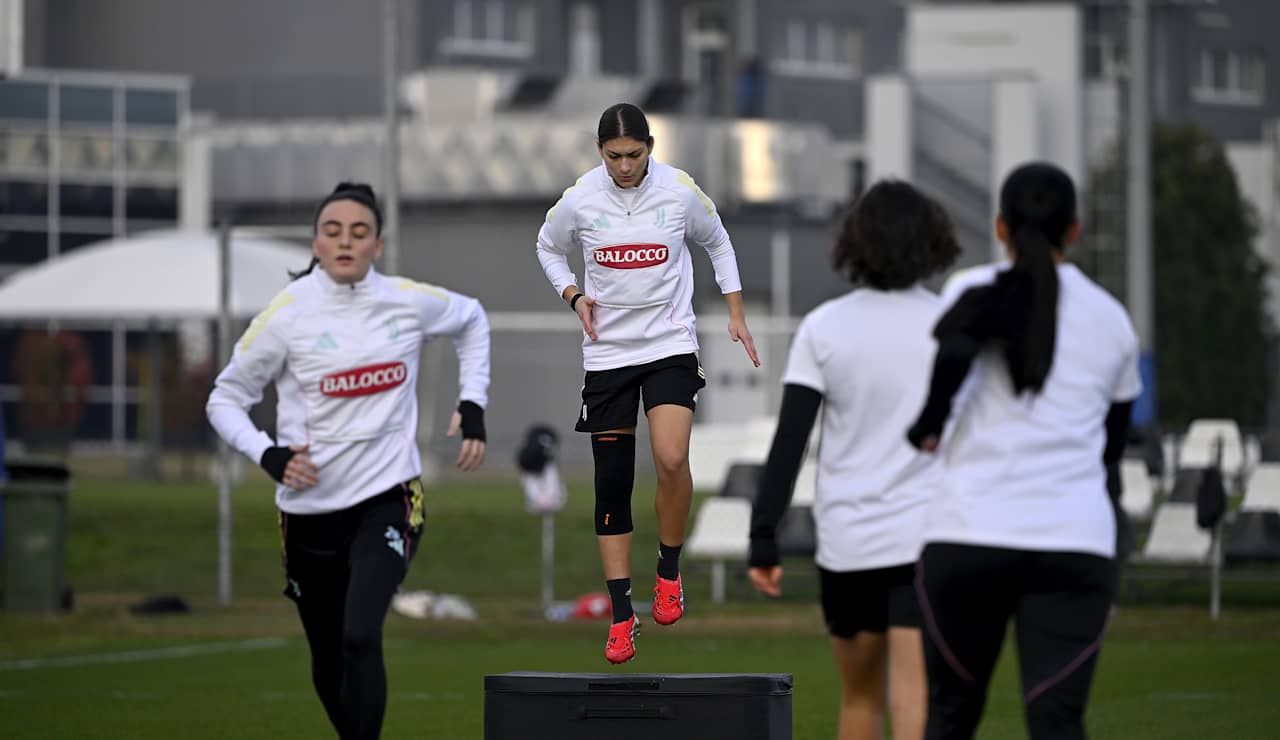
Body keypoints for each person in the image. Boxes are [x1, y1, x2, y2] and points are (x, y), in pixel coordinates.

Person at [206, 182, 490, 740]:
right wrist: (268, 454)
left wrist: (472, 402)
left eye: (359, 233)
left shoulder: (406, 301)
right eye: (333, 231)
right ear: (315, 242)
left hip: (388, 498)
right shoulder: (286, 315)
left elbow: (472, 319)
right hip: (308, 512)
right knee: (330, 654)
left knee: (361, 634)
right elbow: (223, 399)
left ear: (377, 246)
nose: (345, 242)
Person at [906, 162, 1141, 740]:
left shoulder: (968, 292)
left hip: (966, 537)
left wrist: (929, 429)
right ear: (1076, 230)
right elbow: (1110, 450)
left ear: (1000, 228)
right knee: (1057, 723)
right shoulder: (1114, 321)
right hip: (1074, 545)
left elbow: (938, 394)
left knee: (951, 718)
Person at [535, 102, 760, 664]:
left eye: (635, 154)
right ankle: (619, 614)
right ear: (599, 151)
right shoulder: (580, 199)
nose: (625, 166)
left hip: (668, 347)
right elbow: (547, 247)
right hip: (607, 354)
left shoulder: (680, 192)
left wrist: (734, 310)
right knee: (611, 483)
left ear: (651, 147)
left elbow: (719, 242)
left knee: (670, 457)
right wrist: (573, 295)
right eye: (614, 156)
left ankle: (668, 571)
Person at [748, 181, 960, 740]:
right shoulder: (952, 325)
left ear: (855, 243)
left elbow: (790, 440)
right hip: (927, 540)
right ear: (931, 242)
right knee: (916, 701)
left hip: (849, 543)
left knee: (860, 700)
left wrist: (763, 538)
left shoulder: (825, 326)